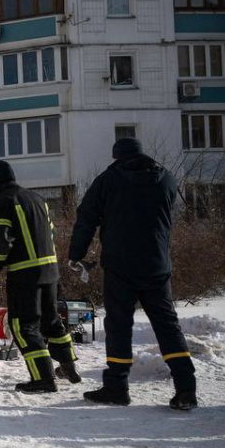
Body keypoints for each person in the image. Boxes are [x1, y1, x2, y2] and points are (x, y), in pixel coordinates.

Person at [69, 137, 198, 410]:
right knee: (167, 324)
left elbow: (87, 217)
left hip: (120, 265)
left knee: (119, 324)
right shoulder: (166, 179)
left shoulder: (109, 180)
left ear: (117, 156)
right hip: (157, 264)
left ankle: (117, 387)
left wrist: (76, 254)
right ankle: (186, 388)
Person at [0, 160, 80, 393]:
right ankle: (68, 366)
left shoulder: (2, 203)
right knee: (51, 321)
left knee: (23, 326)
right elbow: (52, 233)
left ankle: (43, 379)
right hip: (50, 271)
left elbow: (0, 244)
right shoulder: (38, 199)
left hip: (24, 274)